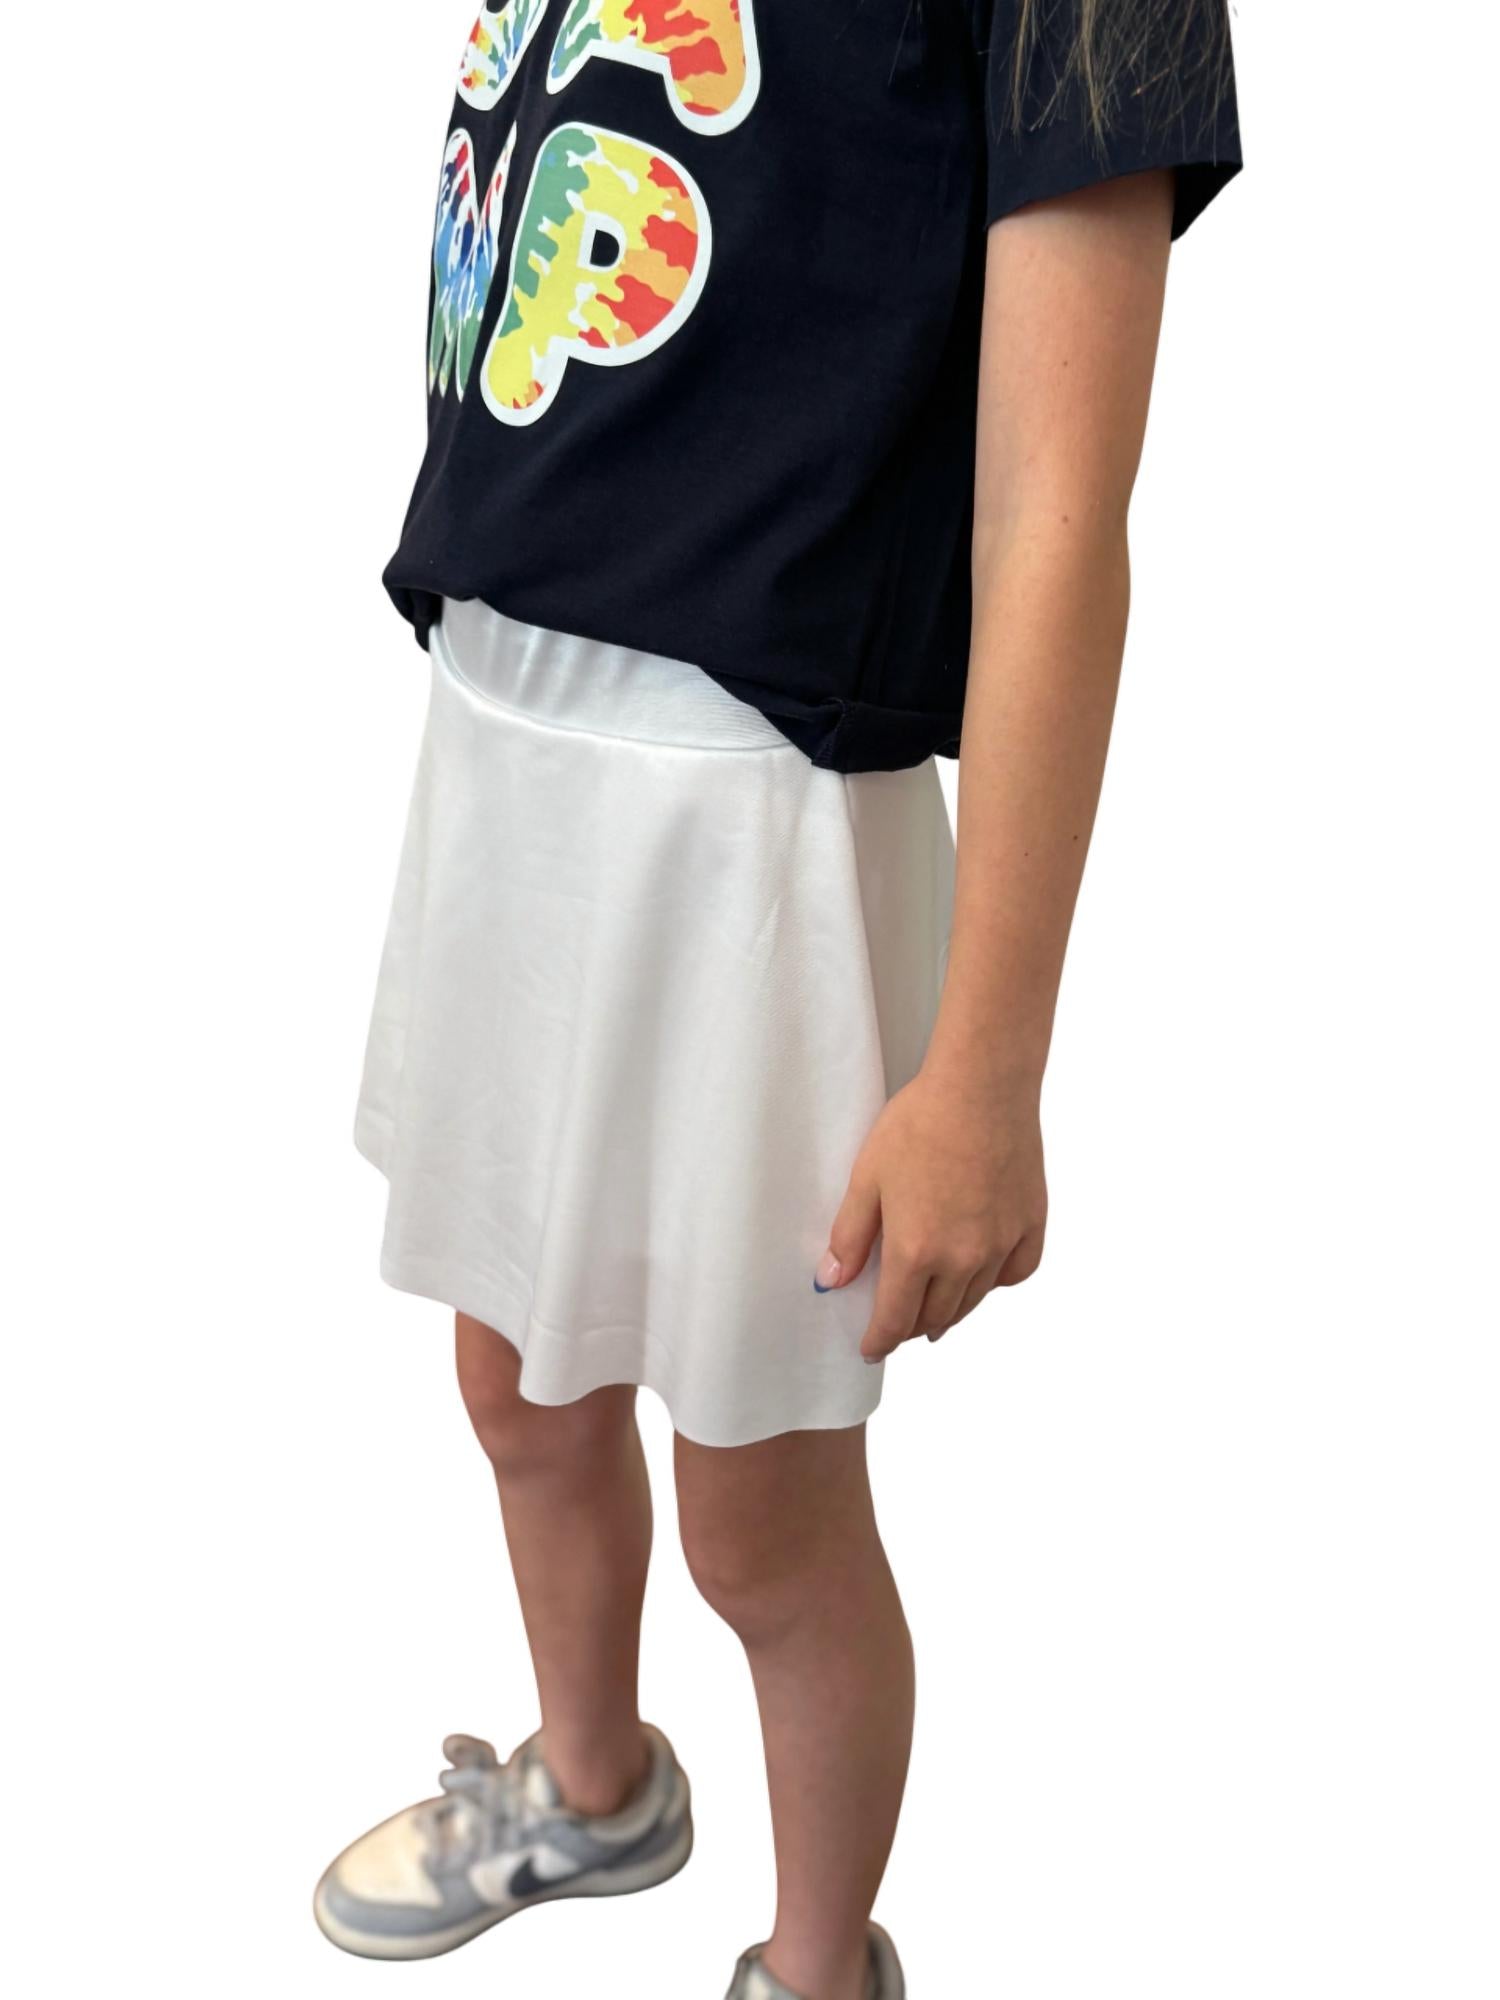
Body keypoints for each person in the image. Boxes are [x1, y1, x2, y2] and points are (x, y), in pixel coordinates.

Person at [314, 3, 1241, 1993]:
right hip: (500, 724)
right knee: (513, 1385)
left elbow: (1055, 517)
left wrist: (987, 1070)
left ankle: (820, 1966)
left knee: (762, 1515)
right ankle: (593, 1785)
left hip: (754, 798)